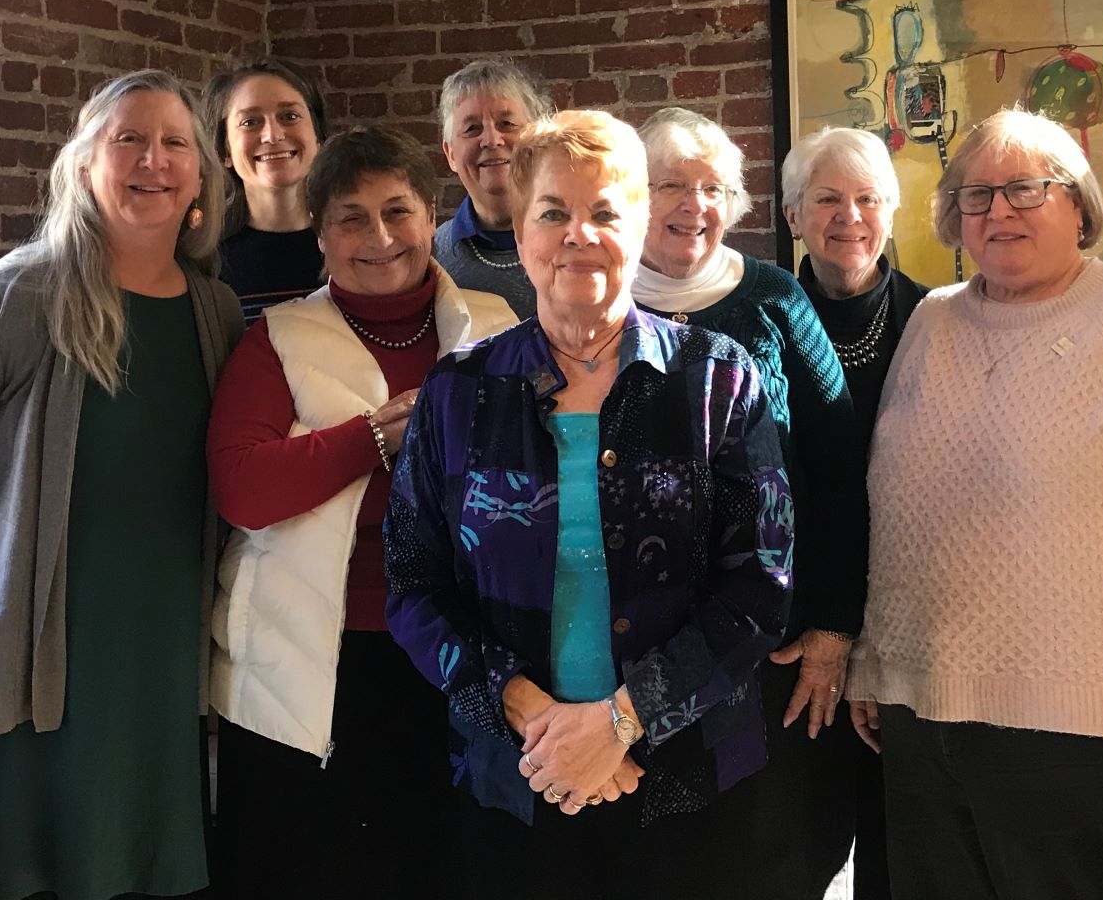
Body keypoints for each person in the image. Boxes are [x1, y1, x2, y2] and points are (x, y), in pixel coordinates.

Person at [848, 107, 1103, 900]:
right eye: (977, 196)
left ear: (1077, 204)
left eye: (1025, 190)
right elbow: (898, 508)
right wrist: (877, 659)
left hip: (1090, 734)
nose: (999, 210)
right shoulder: (931, 322)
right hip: (926, 722)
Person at [384, 110, 793, 897]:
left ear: (638, 224)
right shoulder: (458, 391)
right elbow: (414, 584)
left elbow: (761, 584)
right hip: (515, 775)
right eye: (553, 213)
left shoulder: (719, 378)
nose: (579, 234)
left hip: (686, 778)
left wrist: (621, 722)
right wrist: (534, 716)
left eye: (605, 211)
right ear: (521, 230)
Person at [0, 71, 242, 900]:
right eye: (128, 140)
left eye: (175, 143)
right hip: (15, 669)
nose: (153, 160)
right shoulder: (12, 298)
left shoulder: (216, 312)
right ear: (86, 164)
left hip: (152, 656)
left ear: (199, 176)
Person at [207, 125, 516, 899]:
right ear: (320, 236)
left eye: (397, 211)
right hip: (316, 657)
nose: (378, 237)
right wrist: (374, 437)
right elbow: (242, 489)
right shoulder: (278, 337)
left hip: (458, 651)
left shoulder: (499, 329)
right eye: (350, 218)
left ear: (431, 215)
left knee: (448, 867)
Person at [630, 106, 866, 900]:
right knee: (652, 850)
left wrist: (833, 626)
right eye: (671, 185)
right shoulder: (590, 299)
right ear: (634, 194)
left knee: (765, 850)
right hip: (634, 645)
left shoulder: (770, 296)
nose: (694, 204)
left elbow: (839, 466)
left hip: (770, 636)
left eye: (712, 187)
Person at [778, 124, 928, 900]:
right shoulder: (760, 322)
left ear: (892, 213)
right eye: (827, 199)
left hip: (917, 626)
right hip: (798, 629)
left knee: (903, 850)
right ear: (793, 216)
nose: (850, 217)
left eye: (868, 198)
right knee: (799, 841)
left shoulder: (939, 322)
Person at [202, 54, 328, 321]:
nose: (273, 135)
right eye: (250, 122)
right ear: (224, 148)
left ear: (318, 136)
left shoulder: (354, 246)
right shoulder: (204, 263)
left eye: (289, 116)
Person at [431, 57, 554, 318]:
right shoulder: (433, 259)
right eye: (472, 128)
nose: (491, 140)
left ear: (539, 140)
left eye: (506, 124)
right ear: (451, 154)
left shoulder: (574, 240)